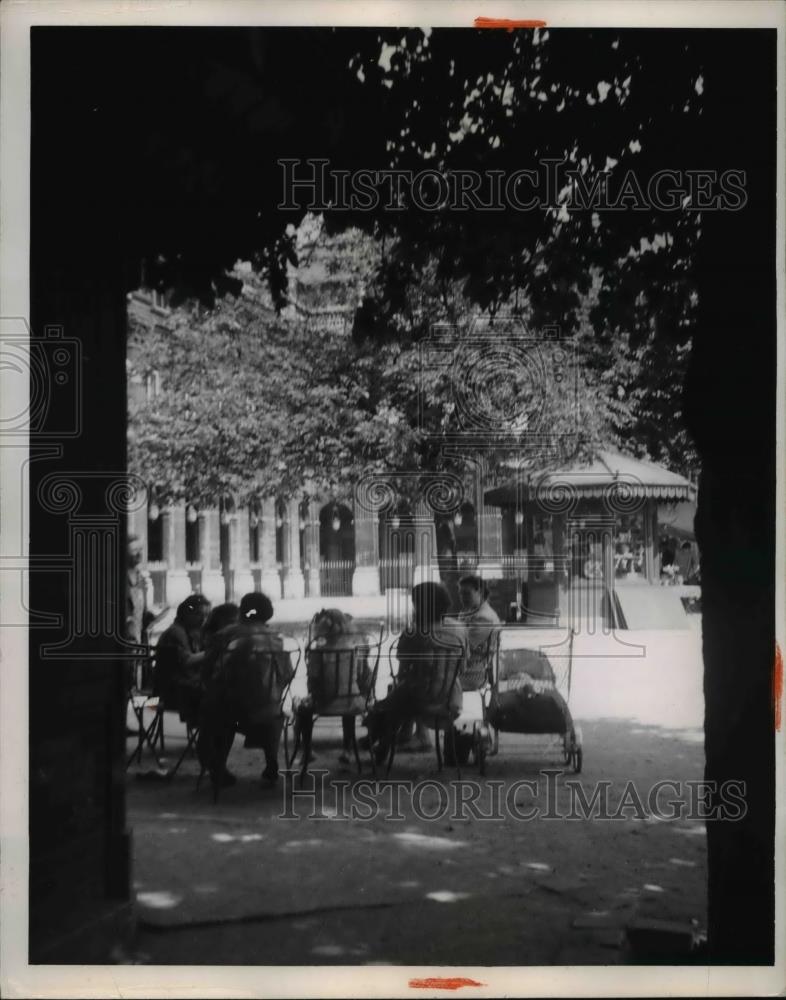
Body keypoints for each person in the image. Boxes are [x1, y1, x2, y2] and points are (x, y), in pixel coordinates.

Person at [200, 592, 294, 789]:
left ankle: (218, 764)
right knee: (271, 708)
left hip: (234, 710)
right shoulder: (276, 638)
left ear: (243, 611)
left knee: (214, 712)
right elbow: (287, 674)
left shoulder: (226, 635)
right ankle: (271, 763)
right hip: (269, 708)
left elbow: (208, 670)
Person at [366, 582, 466, 765]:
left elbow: (403, 664)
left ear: (420, 606)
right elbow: (463, 667)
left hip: (421, 698)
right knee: (400, 695)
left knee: (391, 701)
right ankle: (389, 736)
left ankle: (380, 742)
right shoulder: (459, 630)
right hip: (452, 698)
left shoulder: (415, 632)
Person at [154, 594, 211, 720]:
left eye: (206, 615)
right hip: (178, 690)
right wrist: (213, 651)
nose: (203, 619)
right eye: (198, 614)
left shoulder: (185, 631)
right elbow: (187, 661)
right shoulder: (176, 632)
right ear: (186, 613)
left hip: (180, 686)